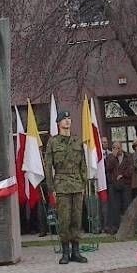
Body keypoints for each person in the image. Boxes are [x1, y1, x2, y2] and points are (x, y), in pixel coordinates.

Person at [45, 110, 88, 264]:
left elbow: (83, 164)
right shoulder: (53, 142)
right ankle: (65, 252)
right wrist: (51, 188)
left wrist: (84, 184)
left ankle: (76, 251)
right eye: (64, 119)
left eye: (69, 118)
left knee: (76, 219)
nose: (68, 121)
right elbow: (48, 165)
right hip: (61, 184)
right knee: (64, 219)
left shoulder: (77, 141)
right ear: (58, 123)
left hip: (76, 183)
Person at [106, 141, 134, 234]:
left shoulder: (128, 156)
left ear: (121, 148)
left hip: (125, 184)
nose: (116, 149)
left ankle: (129, 228)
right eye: (114, 147)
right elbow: (108, 168)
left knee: (127, 205)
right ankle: (115, 228)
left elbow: (131, 169)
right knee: (115, 207)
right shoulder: (110, 157)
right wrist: (113, 156)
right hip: (114, 185)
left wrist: (122, 175)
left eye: (118, 147)